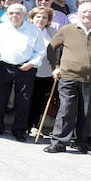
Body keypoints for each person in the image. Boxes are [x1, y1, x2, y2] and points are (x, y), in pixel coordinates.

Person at [43, 2, 91, 154]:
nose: (87, 15)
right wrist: (55, 67)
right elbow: (51, 48)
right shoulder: (67, 30)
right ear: (77, 14)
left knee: (86, 112)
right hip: (68, 76)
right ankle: (59, 142)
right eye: (84, 12)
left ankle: (81, 143)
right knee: (66, 109)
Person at [0, 3, 46, 141]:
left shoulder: (34, 30)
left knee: (24, 100)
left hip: (26, 68)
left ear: (25, 15)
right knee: (0, 98)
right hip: (3, 66)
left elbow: (40, 50)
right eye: (11, 13)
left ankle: (19, 130)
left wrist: (31, 63)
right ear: (7, 15)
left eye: (18, 13)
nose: (14, 16)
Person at [26, 7, 58, 135]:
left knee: (39, 99)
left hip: (45, 70)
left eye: (44, 17)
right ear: (32, 18)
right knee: (25, 98)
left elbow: (57, 50)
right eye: (38, 16)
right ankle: (22, 124)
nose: (41, 19)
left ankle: (33, 124)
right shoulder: (26, 30)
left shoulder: (52, 32)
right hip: (26, 69)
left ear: (49, 20)